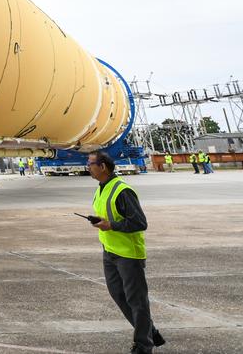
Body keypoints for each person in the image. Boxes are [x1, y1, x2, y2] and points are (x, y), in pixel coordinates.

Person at [86, 151, 165, 353]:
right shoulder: (101, 189)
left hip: (128, 254)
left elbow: (140, 222)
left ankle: (143, 345)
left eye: (91, 163)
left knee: (137, 301)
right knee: (118, 295)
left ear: (102, 167)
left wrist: (110, 225)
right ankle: (150, 331)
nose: (88, 167)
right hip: (110, 252)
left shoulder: (122, 190)